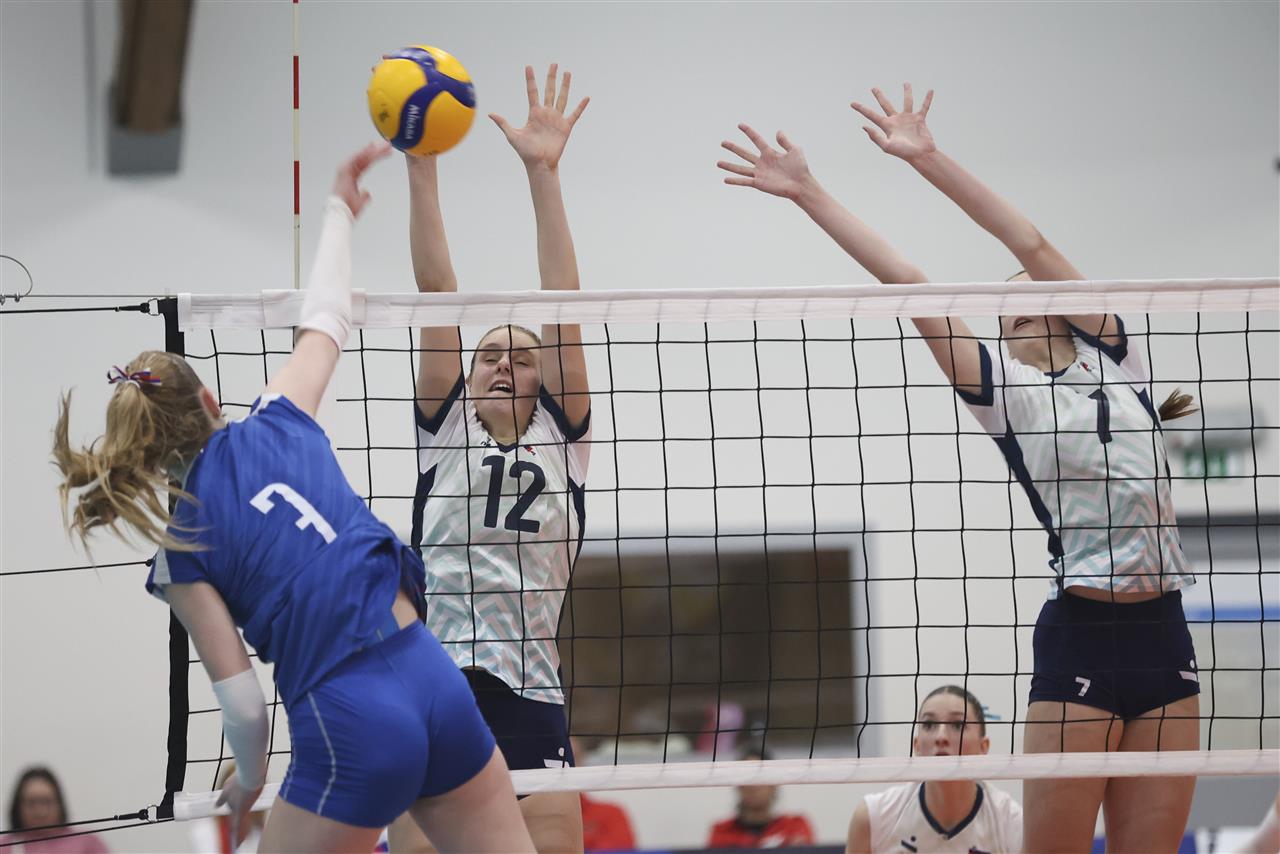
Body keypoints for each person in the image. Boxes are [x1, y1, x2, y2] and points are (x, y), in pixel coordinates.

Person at [718, 83, 1200, 853]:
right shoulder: (1008, 396)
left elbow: (1028, 240)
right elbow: (909, 284)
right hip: (1081, 634)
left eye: (1027, 291)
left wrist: (929, 158)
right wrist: (809, 191)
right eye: (999, 307)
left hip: (1165, 634)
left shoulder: (1119, 356)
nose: (1013, 303)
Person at [51, 143, 534, 854]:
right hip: (435, 680)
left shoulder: (180, 548)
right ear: (210, 402)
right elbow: (327, 318)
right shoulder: (279, 417)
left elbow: (247, 709)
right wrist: (339, 208)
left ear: (146, 460)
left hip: (351, 721)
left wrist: (249, 781)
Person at [390, 63, 591, 854]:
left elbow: (564, 299)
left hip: (531, 692)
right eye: (489, 356)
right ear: (468, 381)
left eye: (523, 356)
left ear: (544, 383)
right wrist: (422, 164)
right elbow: (437, 289)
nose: (504, 362)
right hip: (437, 687)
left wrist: (544, 174)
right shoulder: (445, 433)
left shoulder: (564, 440)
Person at [846, 686, 1022, 853]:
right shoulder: (873, 818)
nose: (941, 736)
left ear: (983, 747)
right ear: (917, 746)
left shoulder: (1011, 823)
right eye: (930, 725)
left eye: (958, 725)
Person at [706, 748, 815, 849]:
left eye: (760, 777)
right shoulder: (722, 831)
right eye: (746, 777)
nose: (753, 786)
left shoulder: (796, 826)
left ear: (774, 784)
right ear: (737, 785)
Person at [6, 766, 109, 853]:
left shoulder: (88, 843)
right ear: (18, 806)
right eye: (31, 803)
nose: (40, 812)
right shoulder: (5, 847)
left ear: (59, 803)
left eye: (47, 802)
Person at [570, 737, 637, 852]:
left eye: (573, 758)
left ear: (583, 763)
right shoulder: (534, 818)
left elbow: (622, 849)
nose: (567, 766)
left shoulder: (611, 813)